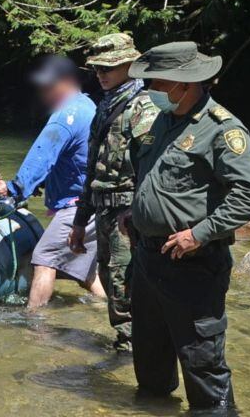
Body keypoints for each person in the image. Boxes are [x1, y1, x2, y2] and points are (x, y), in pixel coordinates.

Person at [125, 41, 250, 411]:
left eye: (155, 83)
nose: (149, 90)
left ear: (181, 85)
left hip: (192, 265)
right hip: (148, 259)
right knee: (150, 366)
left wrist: (198, 234)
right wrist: (137, 213)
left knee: (203, 365)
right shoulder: (163, 121)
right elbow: (155, 178)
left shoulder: (222, 130)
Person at [0, 54, 102, 307]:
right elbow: (75, 159)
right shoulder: (90, 107)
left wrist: (15, 188)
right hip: (96, 202)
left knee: (45, 256)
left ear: (68, 82)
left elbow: (43, 154)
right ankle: (108, 312)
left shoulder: (66, 115)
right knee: (86, 271)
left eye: (49, 87)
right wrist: (40, 185)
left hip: (77, 205)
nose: (45, 93)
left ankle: (34, 322)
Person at [68, 34, 158, 350]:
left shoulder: (143, 108)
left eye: (110, 67)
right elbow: (92, 168)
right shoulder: (105, 106)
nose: (101, 74)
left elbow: (154, 167)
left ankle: (135, 347)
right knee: (109, 278)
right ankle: (130, 343)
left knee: (125, 283)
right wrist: (80, 221)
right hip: (104, 208)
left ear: (131, 66)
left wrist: (137, 212)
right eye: (97, 69)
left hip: (128, 213)